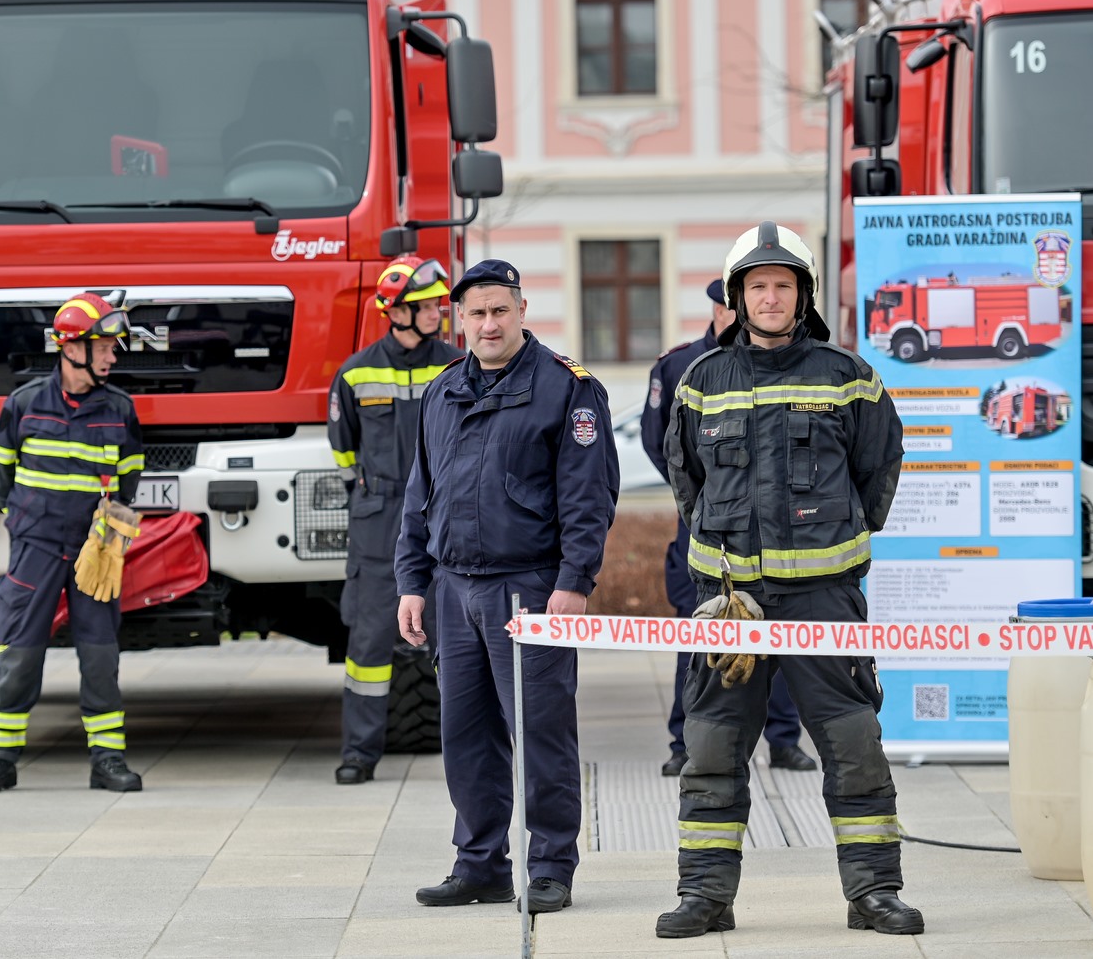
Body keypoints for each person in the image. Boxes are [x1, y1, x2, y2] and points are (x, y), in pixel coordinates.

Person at [656, 223, 919, 938]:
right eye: (757, 285)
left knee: (854, 746)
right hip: (729, 604)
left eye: (783, 284)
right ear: (739, 297)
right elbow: (688, 480)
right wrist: (726, 551)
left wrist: (831, 544)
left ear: (802, 294)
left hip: (824, 600)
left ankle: (874, 893)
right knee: (711, 749)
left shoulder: (847, 376)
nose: (770, 297)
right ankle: (705, 895)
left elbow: (878, 470)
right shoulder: (701, 380)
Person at [396, 259, 619, 915]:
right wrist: (413, 582)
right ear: (460, 320)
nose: (488, 324)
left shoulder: (566, 389)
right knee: (466, 736)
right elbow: (421, 497)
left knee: (543, 733)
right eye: (476, 313)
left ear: (522, 310)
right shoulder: (442, 392)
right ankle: (480, 864)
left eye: (500, 311)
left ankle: (550, 866)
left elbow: (588, 497)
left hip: (530, 589)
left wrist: (574, 582)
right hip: (454, 589)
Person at [0, 291, 147, 795]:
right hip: (36, 547)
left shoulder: (120, 410)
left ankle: (107, 760)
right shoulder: (22, 405)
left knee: (100, 656)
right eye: (106, 347)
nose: (114, 356)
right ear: (73, 347)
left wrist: (104, 537)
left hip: (95, 549)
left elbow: (129, 480)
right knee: (19, 654)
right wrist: (26, 523)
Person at [642, 278, 818, 778]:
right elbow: (665, 449)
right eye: (729, 306)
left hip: (776, 533)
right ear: (720, 309)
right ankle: (684, 743)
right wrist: (706, 503)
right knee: (700, 636)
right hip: (703, 528)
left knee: (779, 635)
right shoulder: (680, 366)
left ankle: (783, 741)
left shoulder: (784, 361)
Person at [326, 256, 463, 785]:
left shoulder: (457, 365)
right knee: (368, 644)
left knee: (458, 633)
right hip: (379, 522)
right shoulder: (356, 372)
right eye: (426, 305)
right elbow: (344, 452)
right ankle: (359, 753)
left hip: (447, 516)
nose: (437, 312)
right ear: (396, 312)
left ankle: (471, 750)